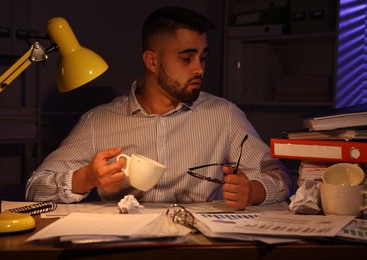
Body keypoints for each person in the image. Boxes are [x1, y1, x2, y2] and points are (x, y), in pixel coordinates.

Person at [26, 6, 292, 210]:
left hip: (198, 248)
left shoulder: (224, 115)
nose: (199, 68)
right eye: (187, 58)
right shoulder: (100, 121)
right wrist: (86, 177)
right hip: (125, 248)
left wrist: (252, 192)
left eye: (203, 58)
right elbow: (35, 189)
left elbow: (279, 176)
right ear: (152, 61)